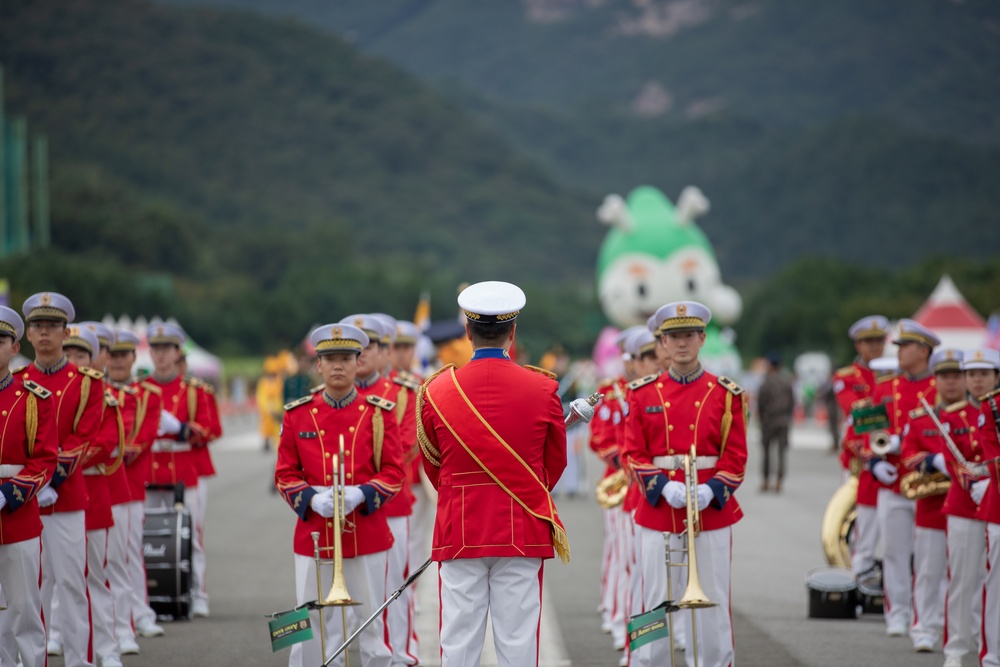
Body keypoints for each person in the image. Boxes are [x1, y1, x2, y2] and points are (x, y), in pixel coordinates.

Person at [417, 281, 590, 667]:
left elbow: (433, 464)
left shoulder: (436, 391)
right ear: (513, 332)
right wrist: (523, 489)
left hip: (460, 526)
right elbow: (554, 463)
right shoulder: (544, 389)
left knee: (458, 642)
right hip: (522, 524)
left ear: (467, 331)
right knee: (518, 642)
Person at [623, 300, 747, 667]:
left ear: (702, 338)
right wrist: (662, 486)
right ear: (661, 343)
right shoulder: (641, 393)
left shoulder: (727, 394)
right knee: (653, 600)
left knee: (714, 599)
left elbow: (736, 456)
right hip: (660, 507)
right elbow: (633, 453)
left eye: (689, 335)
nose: (681, 344)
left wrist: (712, 490)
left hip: (709, 507)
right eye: (673, 336)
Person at [275, 323, 404, 667]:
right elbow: (284, 474)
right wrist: (311, 499)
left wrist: (362, 494)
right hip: (314, 532)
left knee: (372, 619)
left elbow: (394, 472)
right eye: (329, 358)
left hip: (366, 532)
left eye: (345, 358)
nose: (337, 365)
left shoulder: (378, 413)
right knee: (306, 616)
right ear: (317, 364)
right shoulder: (297, 412)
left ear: (358, 362)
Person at [19, 292, 104, 667]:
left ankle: (79, 662)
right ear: (27, 335)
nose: (44, 334)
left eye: (52, 326)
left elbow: (84, 437)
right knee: (26, 589)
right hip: (25, 500)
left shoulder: (86, 382)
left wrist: (50, 480)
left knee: (71, 585)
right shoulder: (17, 381)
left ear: (65, 332)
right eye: (37, 326)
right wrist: (32, 485)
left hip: (66, 496)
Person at [866, 319, 939, 639]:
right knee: (894, 552)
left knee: (929, 557)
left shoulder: (941, 388)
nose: (897, 352)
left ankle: (928, 619)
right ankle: (897, 613)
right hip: (893, 482)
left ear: (923, 351)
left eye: (904, 346)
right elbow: (863, 432)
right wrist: (873, 463)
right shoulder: (884, 388)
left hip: (931, 486)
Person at [60, 325, 125, 667]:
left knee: (96, 575)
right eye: (68, 354)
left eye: (81, 355)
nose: (73, 361)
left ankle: (106, 648)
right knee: (53, 577)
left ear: (95, 358)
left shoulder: (104, 396)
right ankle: (58, 637)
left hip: (90, 489)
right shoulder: (45, 392)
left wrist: (62, 459)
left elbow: (104, 445)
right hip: (51, 490)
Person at [0, 305, 59, 667]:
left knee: (24, 611)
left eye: (0, 339)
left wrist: (8, 494)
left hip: (17, 516)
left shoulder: (33, 398)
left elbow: (45, 459)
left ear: (13, 346)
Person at [143, 322, 214, 617]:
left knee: (191, 536)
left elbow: (211, 429)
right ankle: (149, 594)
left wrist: (182, 428)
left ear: (177, 352)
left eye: (167, 349)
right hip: (147, 470)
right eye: (156, 349)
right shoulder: (140, 389)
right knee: (144, 538)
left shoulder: (194, 390)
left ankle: (198, 593)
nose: (160, 355)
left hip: (184, 471)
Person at [900, 348, 963, 653]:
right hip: (932, 506)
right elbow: (908, 454)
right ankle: (924, 627)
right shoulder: (921, 417)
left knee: (966, 575)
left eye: (956, 376)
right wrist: (932, 461)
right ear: (935, 380)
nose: (951, 383)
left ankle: (963, 630)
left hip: (970, 506)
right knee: (928, 569)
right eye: (944, 376)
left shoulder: (979, 417)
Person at [939, 347, 998, 667]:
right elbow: (952, 460)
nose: (977, 380)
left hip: (994, 499)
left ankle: (987, 645)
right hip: (965, 503)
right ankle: (956, 649)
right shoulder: (952, 415)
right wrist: (973, 484)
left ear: (996, 377)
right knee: (962, 579)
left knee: (992, 581)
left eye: (984, 374)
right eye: (971, 374)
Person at [106, 328, 165, 646]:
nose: (116, 361)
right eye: (111, 355)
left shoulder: (148, 396)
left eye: (122, 355)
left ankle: (139, 613)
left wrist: (116, 450)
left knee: (129, 551)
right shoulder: (96, 390)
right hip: (98, 481)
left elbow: (142, 437)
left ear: (133, 357)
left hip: (129, 481)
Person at [834, 315, 889, 579]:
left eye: (879, 341)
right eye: (869, 342)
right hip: (858, 461)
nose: (875, 346)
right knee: (859, 524)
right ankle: (857, 573)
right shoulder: (847, 377)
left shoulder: (894, 375)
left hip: (893, 457)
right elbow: (856, 414)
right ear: (858, 344)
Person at [756, 352, 795, 492]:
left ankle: (766, 481)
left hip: (768, 421)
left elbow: (761, 404)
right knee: (781, 453)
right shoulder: (787, 382)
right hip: (783, 420)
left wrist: (761, 420)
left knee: (767, 452)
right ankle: (779, 480)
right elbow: (792, 402)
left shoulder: (766, 382)